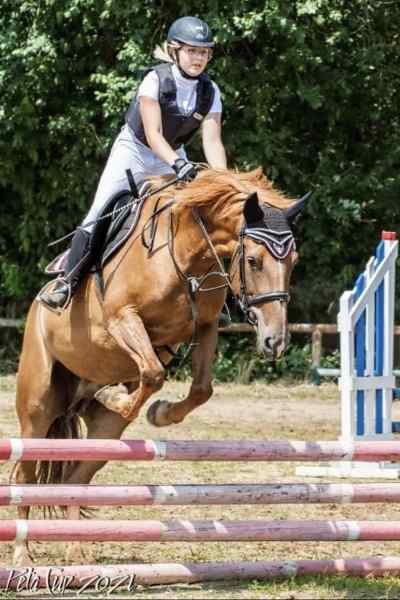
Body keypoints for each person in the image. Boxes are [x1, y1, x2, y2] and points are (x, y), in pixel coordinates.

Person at [40, 16, 227, 311]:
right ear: (174, 50)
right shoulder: (155, 80)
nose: (198, 58)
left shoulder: (211, 91)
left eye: (203, 52)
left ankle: (211, 297)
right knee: (98, 213)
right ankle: (67, 283)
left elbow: (213, 142)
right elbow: (152, 134)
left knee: (203, 215)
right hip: (135, 152)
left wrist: (224, 181)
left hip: (175, 155)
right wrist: (179, 165)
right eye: (192, 51)